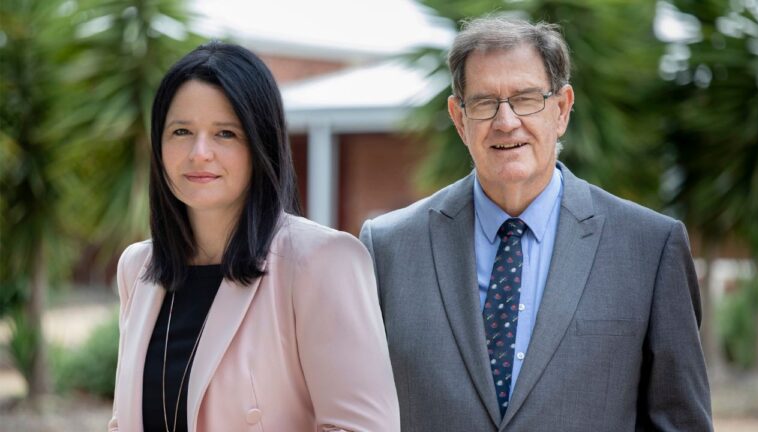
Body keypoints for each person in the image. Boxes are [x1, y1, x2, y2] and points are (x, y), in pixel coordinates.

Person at [360, 17, 712, 431]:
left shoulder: (649, 248)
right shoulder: (387, 249)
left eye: (526, 99)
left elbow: (680, 422)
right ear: (459, 118)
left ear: (561, 109)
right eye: (485, 102)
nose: (506, 121)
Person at [109, 41, 399, 432]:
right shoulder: (138, 269)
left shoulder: (322, 262)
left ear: (261, 143)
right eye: (181, 131)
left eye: (225, 133)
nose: (199, 152)